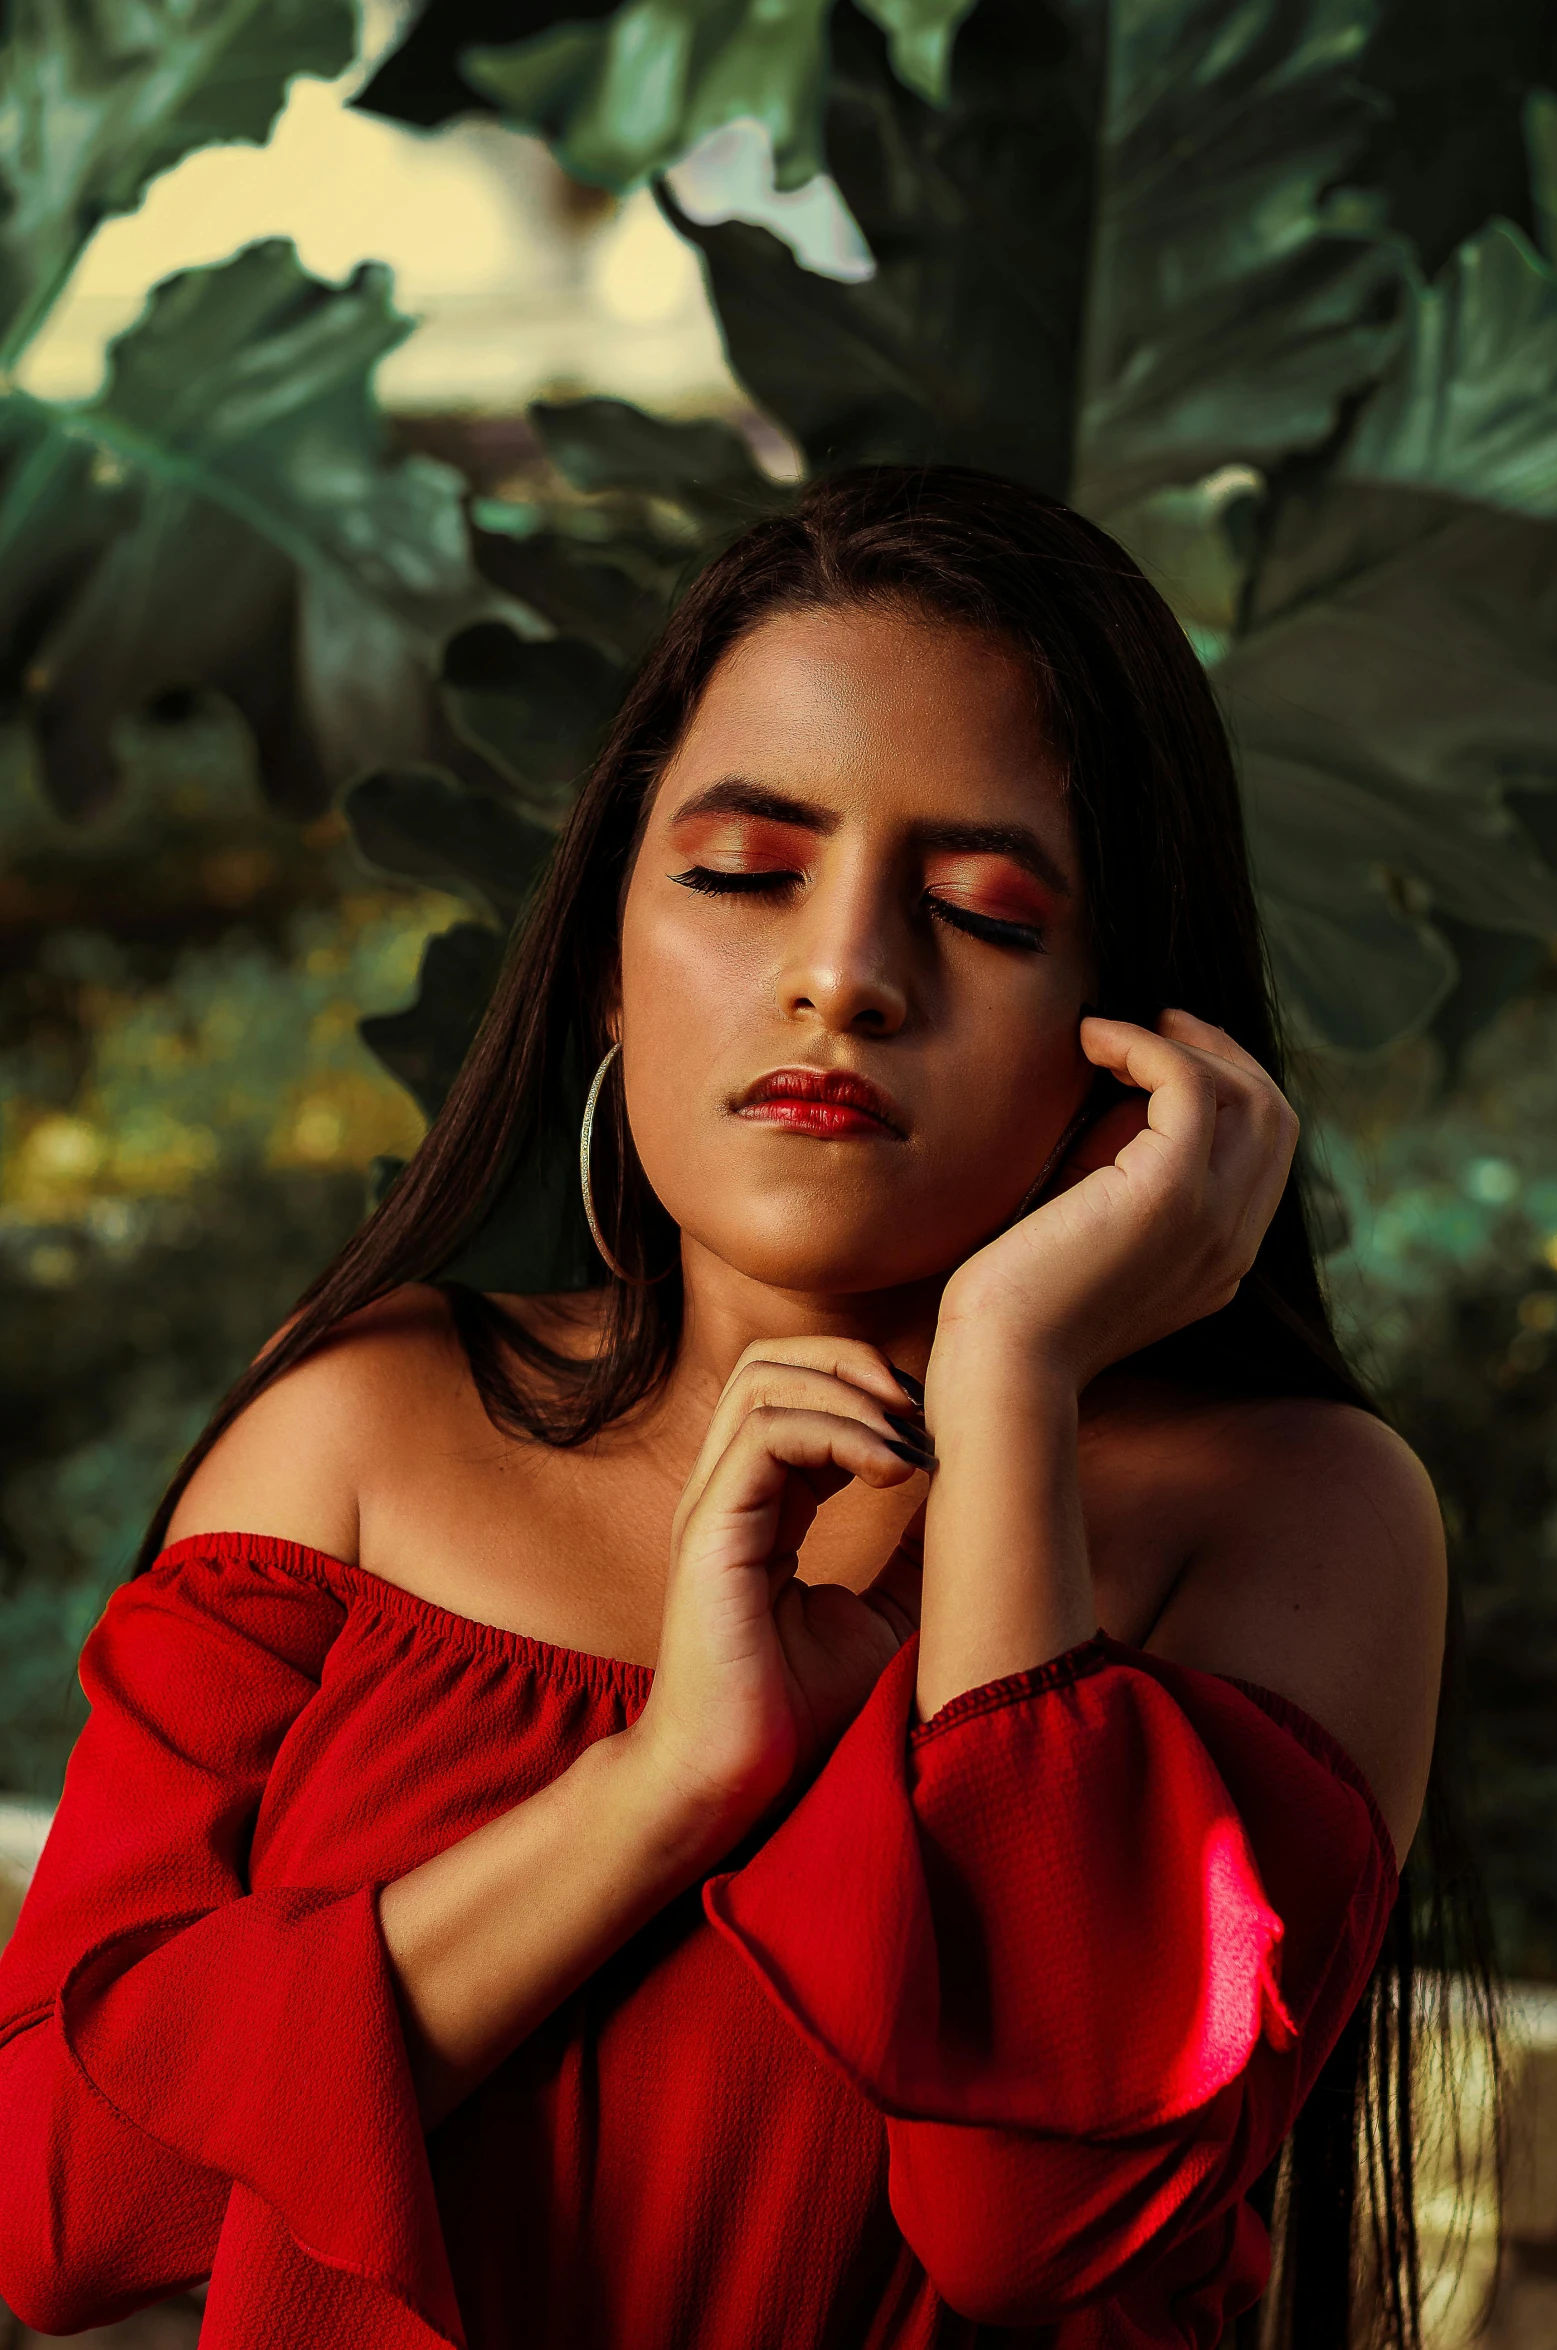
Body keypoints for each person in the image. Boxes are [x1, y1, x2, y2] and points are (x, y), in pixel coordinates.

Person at [0, 468, 1481, 2350]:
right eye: (741, 873)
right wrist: (665, 1781)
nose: (840, 974)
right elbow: (49, 2203)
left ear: (1132, 1037)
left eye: (980, 908)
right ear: (610, 956)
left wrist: (1009, 1385)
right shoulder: (363, 1435)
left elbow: (1044, 2225)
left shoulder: (1286, 1515)